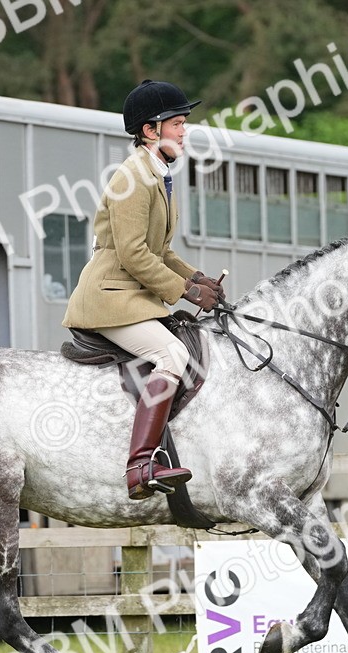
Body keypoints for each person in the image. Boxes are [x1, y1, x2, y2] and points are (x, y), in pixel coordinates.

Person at [62, 80, 225, 500]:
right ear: (150, 131)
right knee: (172, 354)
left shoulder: (158, 174)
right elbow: (134, 254)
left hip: (133, 295)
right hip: (110, 297)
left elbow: (161, 250)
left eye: (184, 123)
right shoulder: (131, 178)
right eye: (177, 124)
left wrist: (198, 278)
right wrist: (186, 293)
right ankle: (140, 465)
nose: (185, 131)